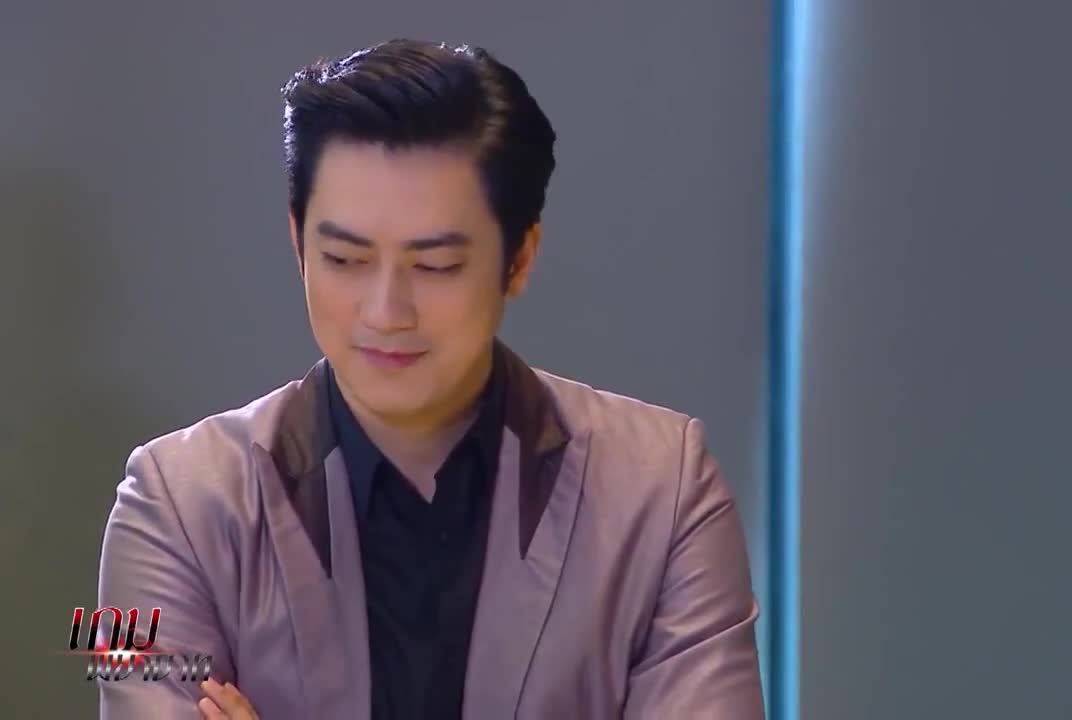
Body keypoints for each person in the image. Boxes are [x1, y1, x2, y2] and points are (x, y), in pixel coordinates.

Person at [97, 38, 764, 719]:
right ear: (298, 243)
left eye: (435, 266)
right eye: (345, 259)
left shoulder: (666, 490)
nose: (386, 312)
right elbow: (130, 686)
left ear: (519, 258)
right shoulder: (166, 502)